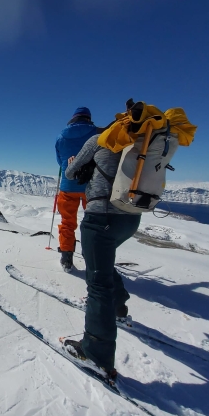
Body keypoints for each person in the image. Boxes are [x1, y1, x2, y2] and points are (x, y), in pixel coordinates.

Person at [61, 100, 144, 379]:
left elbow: (72, 173)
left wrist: (72, 163)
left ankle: (95, 353)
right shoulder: (140, 142)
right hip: (130, 218)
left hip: (101, 217)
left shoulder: (99, 140)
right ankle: (118, 307)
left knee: (97, 283)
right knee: (103, 264)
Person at [55, 107, 97, 271]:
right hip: (92, 185)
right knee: (93, 222)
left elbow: (60, 161)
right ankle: (91, 256)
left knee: (67, 222)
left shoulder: (61, 137)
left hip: (68, 184)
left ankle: (66, 258)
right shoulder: (96, 133)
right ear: (88, 118)